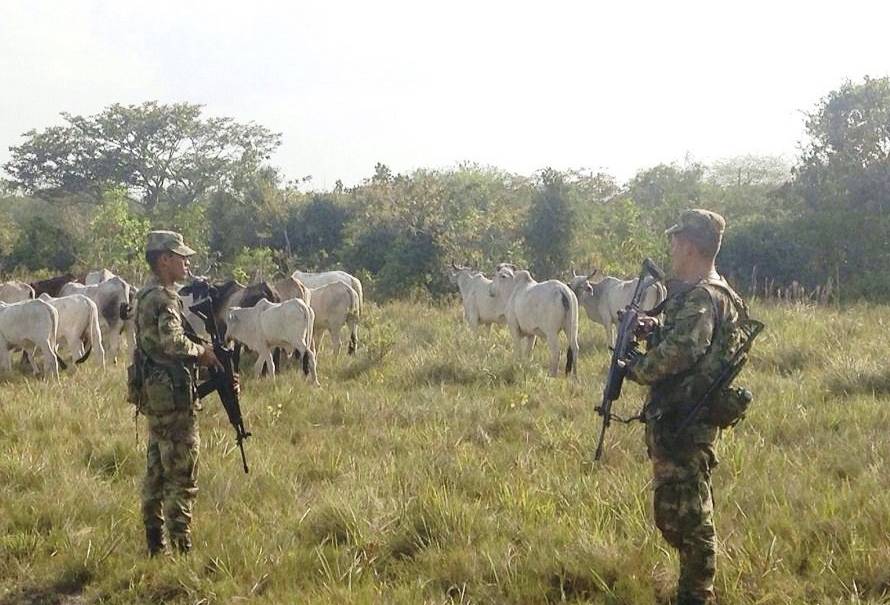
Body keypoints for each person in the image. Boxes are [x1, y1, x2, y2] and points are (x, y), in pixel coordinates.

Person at [627, 209, 748, 605]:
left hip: (687, 423)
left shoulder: (702, 295)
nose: (672, 248)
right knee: (678, 514)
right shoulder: (711, 293)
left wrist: (638, 368)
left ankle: (697, 597)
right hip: (684, 419)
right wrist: (656, 329)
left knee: (691, 521)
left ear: (693, 247)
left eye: (677, 241)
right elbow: (692, 342)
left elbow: (686, 349)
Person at [132, 230, 222, 555]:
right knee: (181, 476)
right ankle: (183, 552)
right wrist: (202, 352)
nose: (186, 262)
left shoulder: (146, 295)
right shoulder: (165, 298)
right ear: (163, 260)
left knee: (156, 473)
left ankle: (155, 547)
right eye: (180, 257)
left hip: (156, 397)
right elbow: (172, 342)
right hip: (173, 400)